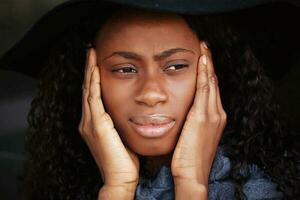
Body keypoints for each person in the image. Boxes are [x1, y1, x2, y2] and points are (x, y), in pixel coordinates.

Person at [1, 1, 299, 200]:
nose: (151, 93)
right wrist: (117, 187)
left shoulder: (261, 189)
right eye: (125, 69)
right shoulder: (64, 185)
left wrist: (192, 184)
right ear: (90, 79)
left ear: (214, 73)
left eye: (176, 66)